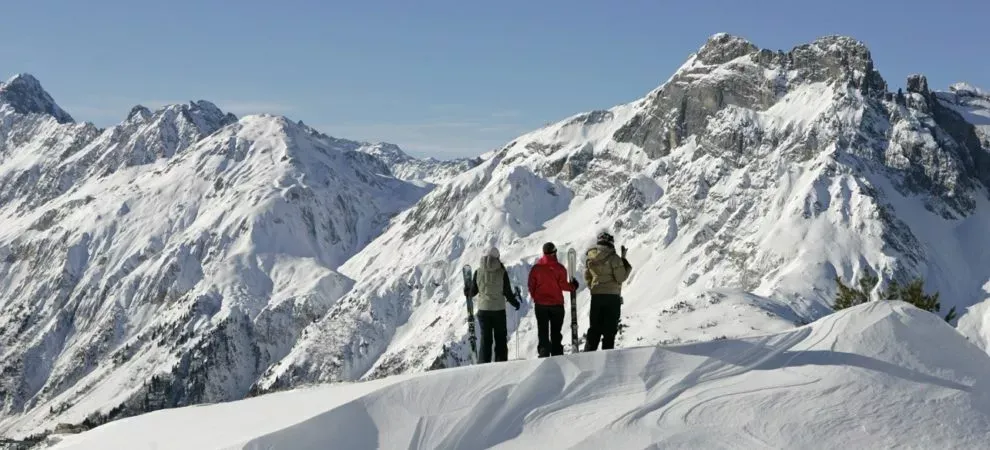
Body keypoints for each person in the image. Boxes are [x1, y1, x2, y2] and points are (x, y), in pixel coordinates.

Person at [465, 247, 520, 363]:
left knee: (486, 339)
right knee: (500, 339)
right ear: (497, 258)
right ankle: (501, 363)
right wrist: (515, 303)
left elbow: (473, 292)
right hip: (498, 311)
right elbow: (507, 292)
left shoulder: (478, 272)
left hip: (483, 310)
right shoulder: (502, 272)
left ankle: (483, 364)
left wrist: (467, 291)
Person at [527, 242, 579, 357]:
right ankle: (557, 354)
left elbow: (531, 285)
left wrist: (536, 297)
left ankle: (543, 354)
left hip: (541, 305)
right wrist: (573, 286)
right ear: (554, 253)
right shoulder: (559, 268)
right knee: (556, 333)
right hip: (556, 305)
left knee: (543, 331)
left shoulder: (536, 268)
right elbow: (564, 285)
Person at [583, 231, 631, 351]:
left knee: (594, 329)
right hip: (612, 297)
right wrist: (624, 260)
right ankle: (607, 360)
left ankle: (586, 357)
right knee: (609, 331)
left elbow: (587, 276)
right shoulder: (614, 258)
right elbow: (621, 277)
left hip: (596, 296)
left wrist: (594, 287)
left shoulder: (590, 257)